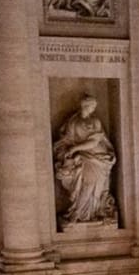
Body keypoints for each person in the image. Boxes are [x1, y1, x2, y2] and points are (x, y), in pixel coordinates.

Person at [53, 93, 117, 226]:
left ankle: (94, 212)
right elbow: (67, 140)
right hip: (84, 158)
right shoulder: (73, 122)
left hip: (98, 157)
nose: (93, 109)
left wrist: (75, 148)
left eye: (94, 107)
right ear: (86, 106)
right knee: (87, 184)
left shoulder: (95, 121)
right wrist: (71, 150)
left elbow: (94, 142)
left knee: (98, 186)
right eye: (92, 106)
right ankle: (79, 213)